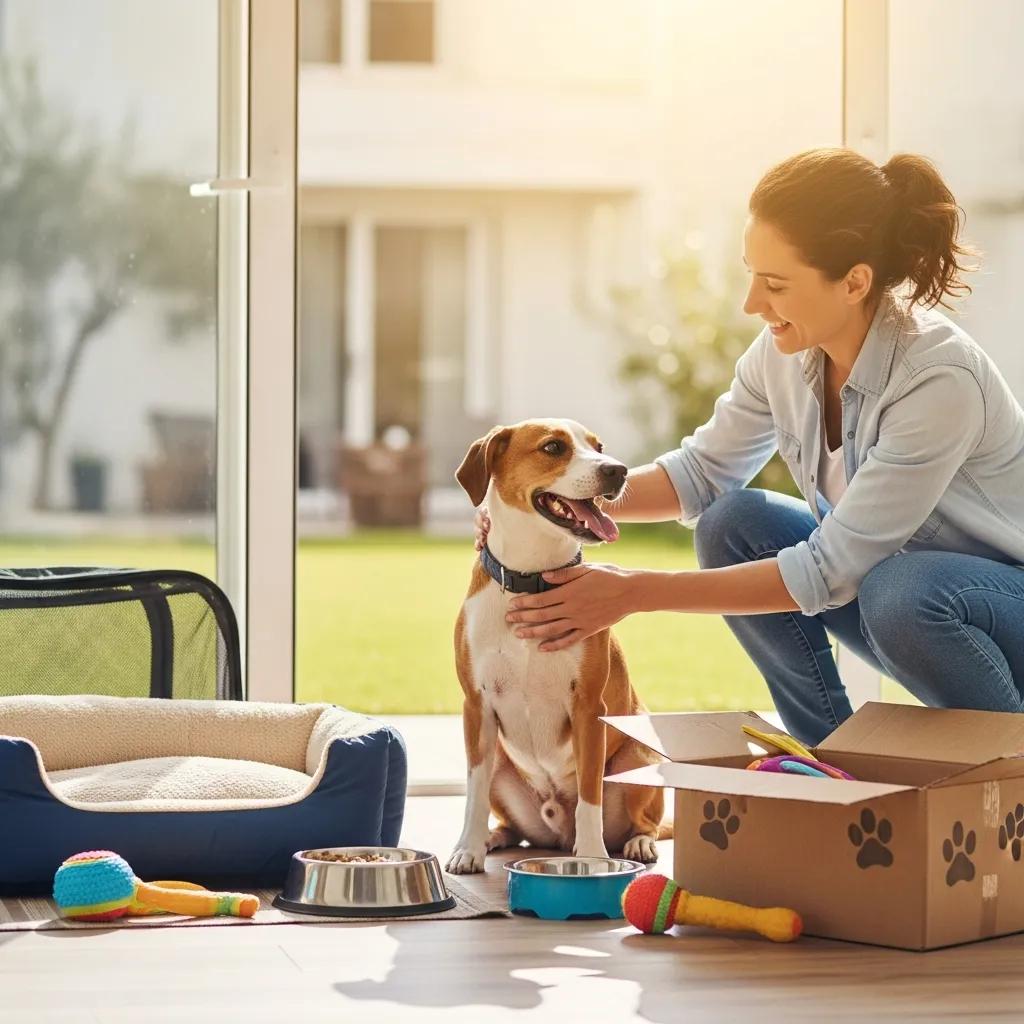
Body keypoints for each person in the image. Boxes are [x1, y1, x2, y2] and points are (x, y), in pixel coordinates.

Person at [474, 147, 1024, 745]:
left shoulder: (937, 379)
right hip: (907, 601)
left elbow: (831, 570)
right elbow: (700, 474)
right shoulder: (783, 353)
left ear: (854, 281)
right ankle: (834, 767)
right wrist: (536, 498)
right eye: (751, 273)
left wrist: (633, 592)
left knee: (901, 591)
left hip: (993, 607)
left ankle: (1009, 774)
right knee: (732, 524)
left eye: (776, 284)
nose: (752, 303)